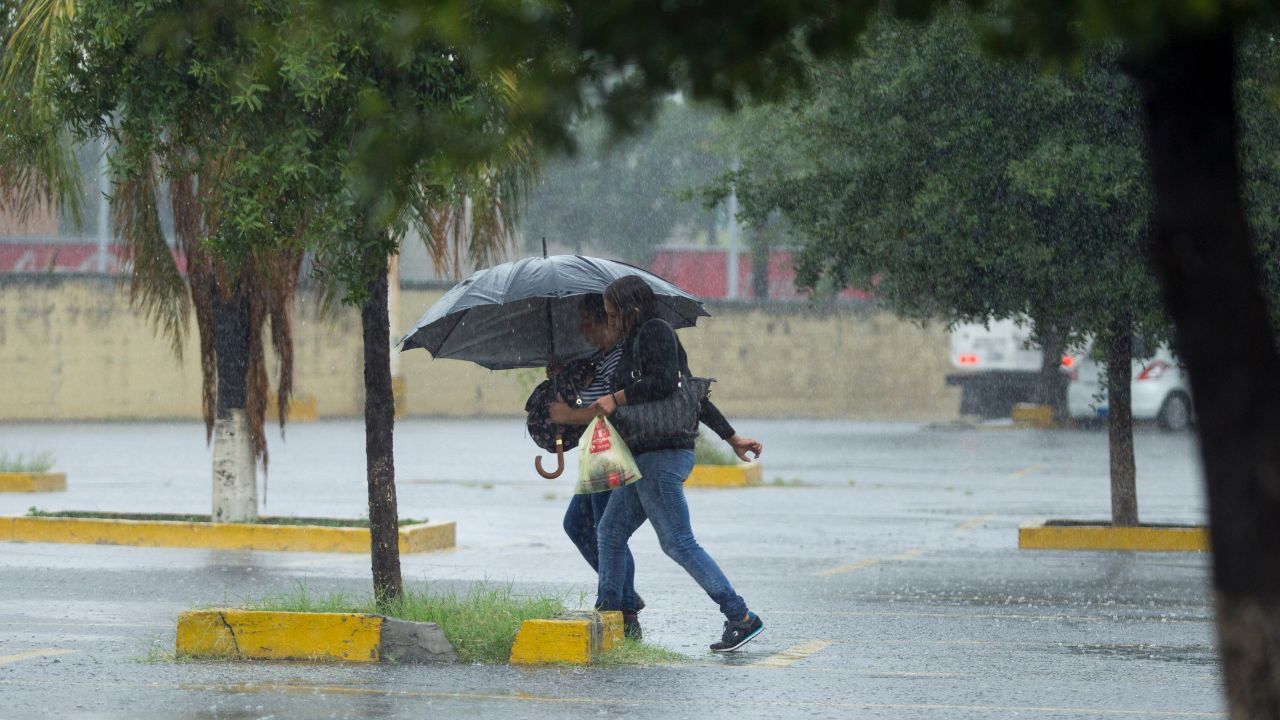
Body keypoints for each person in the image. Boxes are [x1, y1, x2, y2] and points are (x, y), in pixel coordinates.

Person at [589, 275, 765, 652]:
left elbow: (668, 384)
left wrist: (616, 398)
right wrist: (732, 437)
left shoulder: (655, 331)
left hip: (663, 454)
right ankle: (608, 617)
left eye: (613, 313)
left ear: (631, 309)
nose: (610, 321)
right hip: (646, 456)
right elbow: (692, 394)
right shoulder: (634, 343)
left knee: (678, 542)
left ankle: (741, 617)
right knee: (610, 532)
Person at [545, 295, 645, 637]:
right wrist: (565, 379)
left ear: (607, 321)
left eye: (589, 325)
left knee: (609, 533)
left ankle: (624, 607)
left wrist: (567, 415)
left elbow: (607, 408)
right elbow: (592, 397)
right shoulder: (602, 358)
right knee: (579, 524)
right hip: (597, 452)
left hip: (612, 451)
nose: (584, 333)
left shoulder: (621, 358)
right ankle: (623, 594)